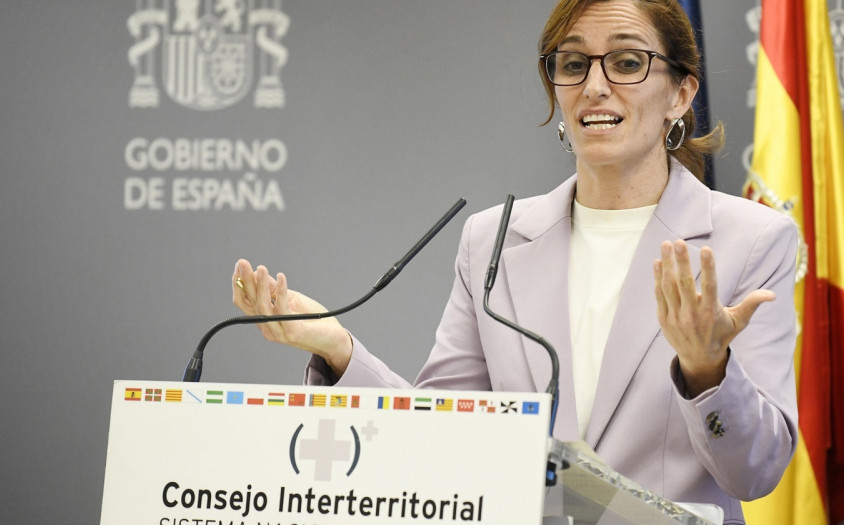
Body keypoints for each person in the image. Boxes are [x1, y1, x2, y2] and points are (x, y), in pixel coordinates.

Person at [231, 0, 799, 520]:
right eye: (573, 64)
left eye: (627, 62)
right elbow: (444, 436)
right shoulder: (494, 240)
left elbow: (755, 474)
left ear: (680, 94)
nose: (596, 85)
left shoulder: (751, 239)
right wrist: (339, 349)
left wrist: (707, 372)